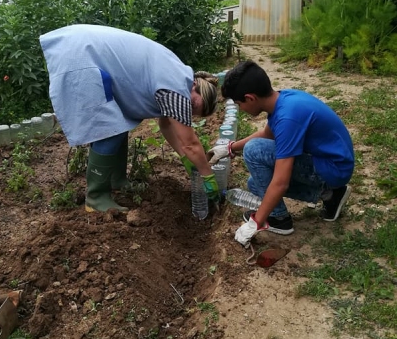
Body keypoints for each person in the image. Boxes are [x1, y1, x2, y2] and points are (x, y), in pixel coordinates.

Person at [40, 24, 220, 213]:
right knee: (108, 129)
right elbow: (190, 143)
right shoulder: (176, 88)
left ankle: (116, 181)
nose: (187, 110)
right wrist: (208, 177)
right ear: (196, 87)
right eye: (193, 105)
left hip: (84, 49)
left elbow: (166, 124)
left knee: (117, 124)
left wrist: (185, 159)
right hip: (82, 56)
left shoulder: (178, 74)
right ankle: (96, 197)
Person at [207, 60, 354, 243]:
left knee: (254, 151)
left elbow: (281, 183)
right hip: (330, 163)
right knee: (255, 184)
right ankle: (331, 195)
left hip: (334, 167)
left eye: (239, 104)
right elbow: (266, 134)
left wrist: (256, 222)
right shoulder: (283, 100)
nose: (241, 109)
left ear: (250, 98)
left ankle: (279, 219)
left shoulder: (287, 118)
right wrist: (229, 148)